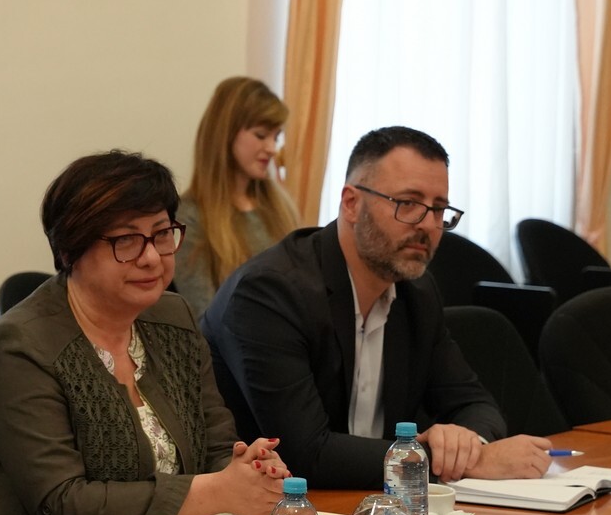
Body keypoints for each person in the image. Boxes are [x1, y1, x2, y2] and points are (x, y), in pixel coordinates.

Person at [0, 150, 289, 515]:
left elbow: (215, 448)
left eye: (162, 234)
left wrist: (249, 470)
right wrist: (217, 491)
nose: (151, 257)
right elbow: (63, 503)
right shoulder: (21, 344)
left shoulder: (173, 318)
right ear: (70, 250)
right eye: (126, 240)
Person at [202, 126, 553, 489]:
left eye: (438, 209)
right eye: (408, 203)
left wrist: (466, 445)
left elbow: (474, 403)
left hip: (374, 504)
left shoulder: (417, 291)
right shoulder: (271, 292)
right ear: (351, 203)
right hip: (273, 510)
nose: (428, 225)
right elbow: (306, 453)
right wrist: (459, 462)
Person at [176, 77, 301, 319]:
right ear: (226, 134)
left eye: (276, 137)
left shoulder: (282, 208)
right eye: (261, 135)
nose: (272, 148)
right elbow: (205, 316)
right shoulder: (190, 217)